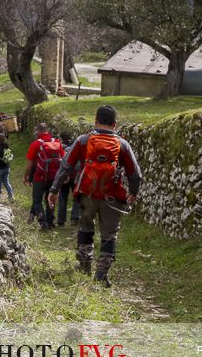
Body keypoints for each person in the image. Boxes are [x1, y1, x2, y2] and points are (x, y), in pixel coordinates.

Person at [48, 105, 142, 287]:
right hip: (112, 196)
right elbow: (135, 174)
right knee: (109, 235)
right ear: (115, 124)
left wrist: (54, 190)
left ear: (95, 120)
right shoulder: (122, 144)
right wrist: (133, 192)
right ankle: (101, 274)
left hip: (86, 194)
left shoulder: (83, 140)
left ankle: (84, 266)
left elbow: (65, 166)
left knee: (85, 228)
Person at [24, 123, 63, 230]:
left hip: (39, 177)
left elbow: (30, 164)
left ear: (38, 131)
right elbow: (63, 160)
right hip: (54, 177)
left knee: (37, 201)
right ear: (48, 130)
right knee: (50, 199)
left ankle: (43, 223)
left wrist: (26, 176)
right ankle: (51, 221)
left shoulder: (36, 144)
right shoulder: (57, 143)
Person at [57, 131, 82, 227]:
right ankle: (74, 218)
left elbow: (60, 161)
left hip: (64, 174)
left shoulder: (60, 146)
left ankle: (61, 220)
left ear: (61, 138)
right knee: (76, 197)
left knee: (63, 196)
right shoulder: (76, 146)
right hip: (75, 175)